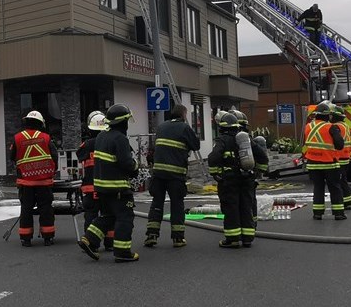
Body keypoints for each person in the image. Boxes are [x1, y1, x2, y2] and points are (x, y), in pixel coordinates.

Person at [78, 103, 139, 263]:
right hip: (117, 188)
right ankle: (122, 252)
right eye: (126, 120)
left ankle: (89, 240)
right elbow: (126, 163)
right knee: (125, 217)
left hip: (101, 188)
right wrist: (136, 167)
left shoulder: (102, 137)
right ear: (122, 122)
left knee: (108, 216)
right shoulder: (120, 139)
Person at [144, 103, 201, 248]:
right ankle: (178, 238)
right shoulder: (184, 127)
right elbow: (196, 145)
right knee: (177, 204)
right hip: (175, 174)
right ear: (183, 115)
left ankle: (151, 235)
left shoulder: (162, 127)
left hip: (158, 173)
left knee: (157, 203)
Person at [9, 110, 58, 247]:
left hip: (25, 182)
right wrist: (52, 171)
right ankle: (48, 238)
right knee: (46, 209)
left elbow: (12, 157)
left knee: (26, 209)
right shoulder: (46, 138)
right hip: (44, 182)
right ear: (40, 123)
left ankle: (26, 238)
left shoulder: (17, 138)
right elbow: (54, 157)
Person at [207, 111, 255, 248]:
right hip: (247, 179)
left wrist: (215, 173)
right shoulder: (246, 139)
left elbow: (213, 157)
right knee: (246, 207)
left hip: (229, 180)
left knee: (231, 207)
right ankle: (247, 239)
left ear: (222, 128)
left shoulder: (222, 140)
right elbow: (262, 156)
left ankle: (233, 239)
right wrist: (257, 173)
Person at [303, 101, 346, 220]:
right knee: (335, 188)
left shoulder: (308, 127)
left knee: (318, 188)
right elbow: (339, 145)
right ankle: (338, 213)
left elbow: (305, 143)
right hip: (329, 164)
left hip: (312, 164)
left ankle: (317, 213)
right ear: (328, 115)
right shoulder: (331, 127)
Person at [77, 111, 114, 251]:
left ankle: (91, 243)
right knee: (109, 214)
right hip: (107, 186)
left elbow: (79, 154)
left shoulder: (86, 145)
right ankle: (110, 243)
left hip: (90, 187)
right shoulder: (112, 141)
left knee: (91, 216)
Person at [330, 104, 351, 211]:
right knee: (343, 180)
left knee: (340, 181)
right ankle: (348, 201)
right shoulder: (345, 125)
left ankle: (347, 202)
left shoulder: (337, 127)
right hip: (345, 157)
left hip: (340, 157)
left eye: (332, 116)